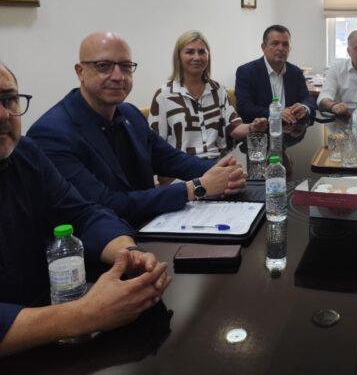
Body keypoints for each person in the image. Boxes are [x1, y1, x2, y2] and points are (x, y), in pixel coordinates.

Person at [0, 63, 170, 356]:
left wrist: (128, 253)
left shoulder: (26, 154)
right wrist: (84, 314)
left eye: (9, 99)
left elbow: (82, 214)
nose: (4, 115)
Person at [27, 32, 247, 226]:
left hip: (153, 225)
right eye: (103, 66)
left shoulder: (129, 113)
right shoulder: (51, 134)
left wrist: (222, 170)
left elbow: (171, 159)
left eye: (125, 66)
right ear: (80, 71)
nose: (118, 76)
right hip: (105, 247)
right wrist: (196, 187)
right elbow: (104, 204)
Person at [149, 30, 267, 159]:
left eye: (202, 52)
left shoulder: (218, 90)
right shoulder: (164, 95)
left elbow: (234, 128)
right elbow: (155, 144)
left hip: (220, 164)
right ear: (178, 57)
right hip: (183, 167)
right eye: (190, 52)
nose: (197, 57)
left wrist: (252, 127)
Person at [234, 25, 316, 124]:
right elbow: (244, 108)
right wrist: (275, 114)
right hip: (260, 129)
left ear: (290, 48)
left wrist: (304, 108)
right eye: (275, 43)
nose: (281, 48)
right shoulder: (246, 72)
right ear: (264, 47)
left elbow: (307, 99)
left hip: (291, 129)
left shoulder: (295, 72)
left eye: (285, 44)